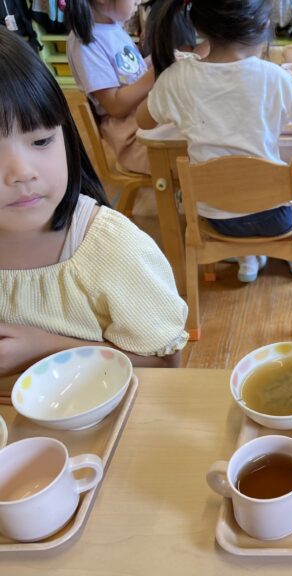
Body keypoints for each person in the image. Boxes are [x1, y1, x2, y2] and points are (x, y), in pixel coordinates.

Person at [0, 27, 188, 382]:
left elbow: (166, 364)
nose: (22, 172)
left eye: (41, 141)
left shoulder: (111, 247)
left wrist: (43, 347)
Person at [137, 0, 292, 283]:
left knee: (234, 188)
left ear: (201, 28)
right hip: (279, 219)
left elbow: (143, 121)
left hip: (216, 219)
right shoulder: (274, 77)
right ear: (263, 27)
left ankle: (247, 259)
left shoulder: (177, 78)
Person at [66, 0, 153, 174]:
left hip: (145, 119)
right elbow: (115, 106)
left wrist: (157, 60)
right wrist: (154, 74)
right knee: (195, 151)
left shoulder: (113, 27)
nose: (139, 1)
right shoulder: (86, 42)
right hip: (133, 137)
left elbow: (132, 75)